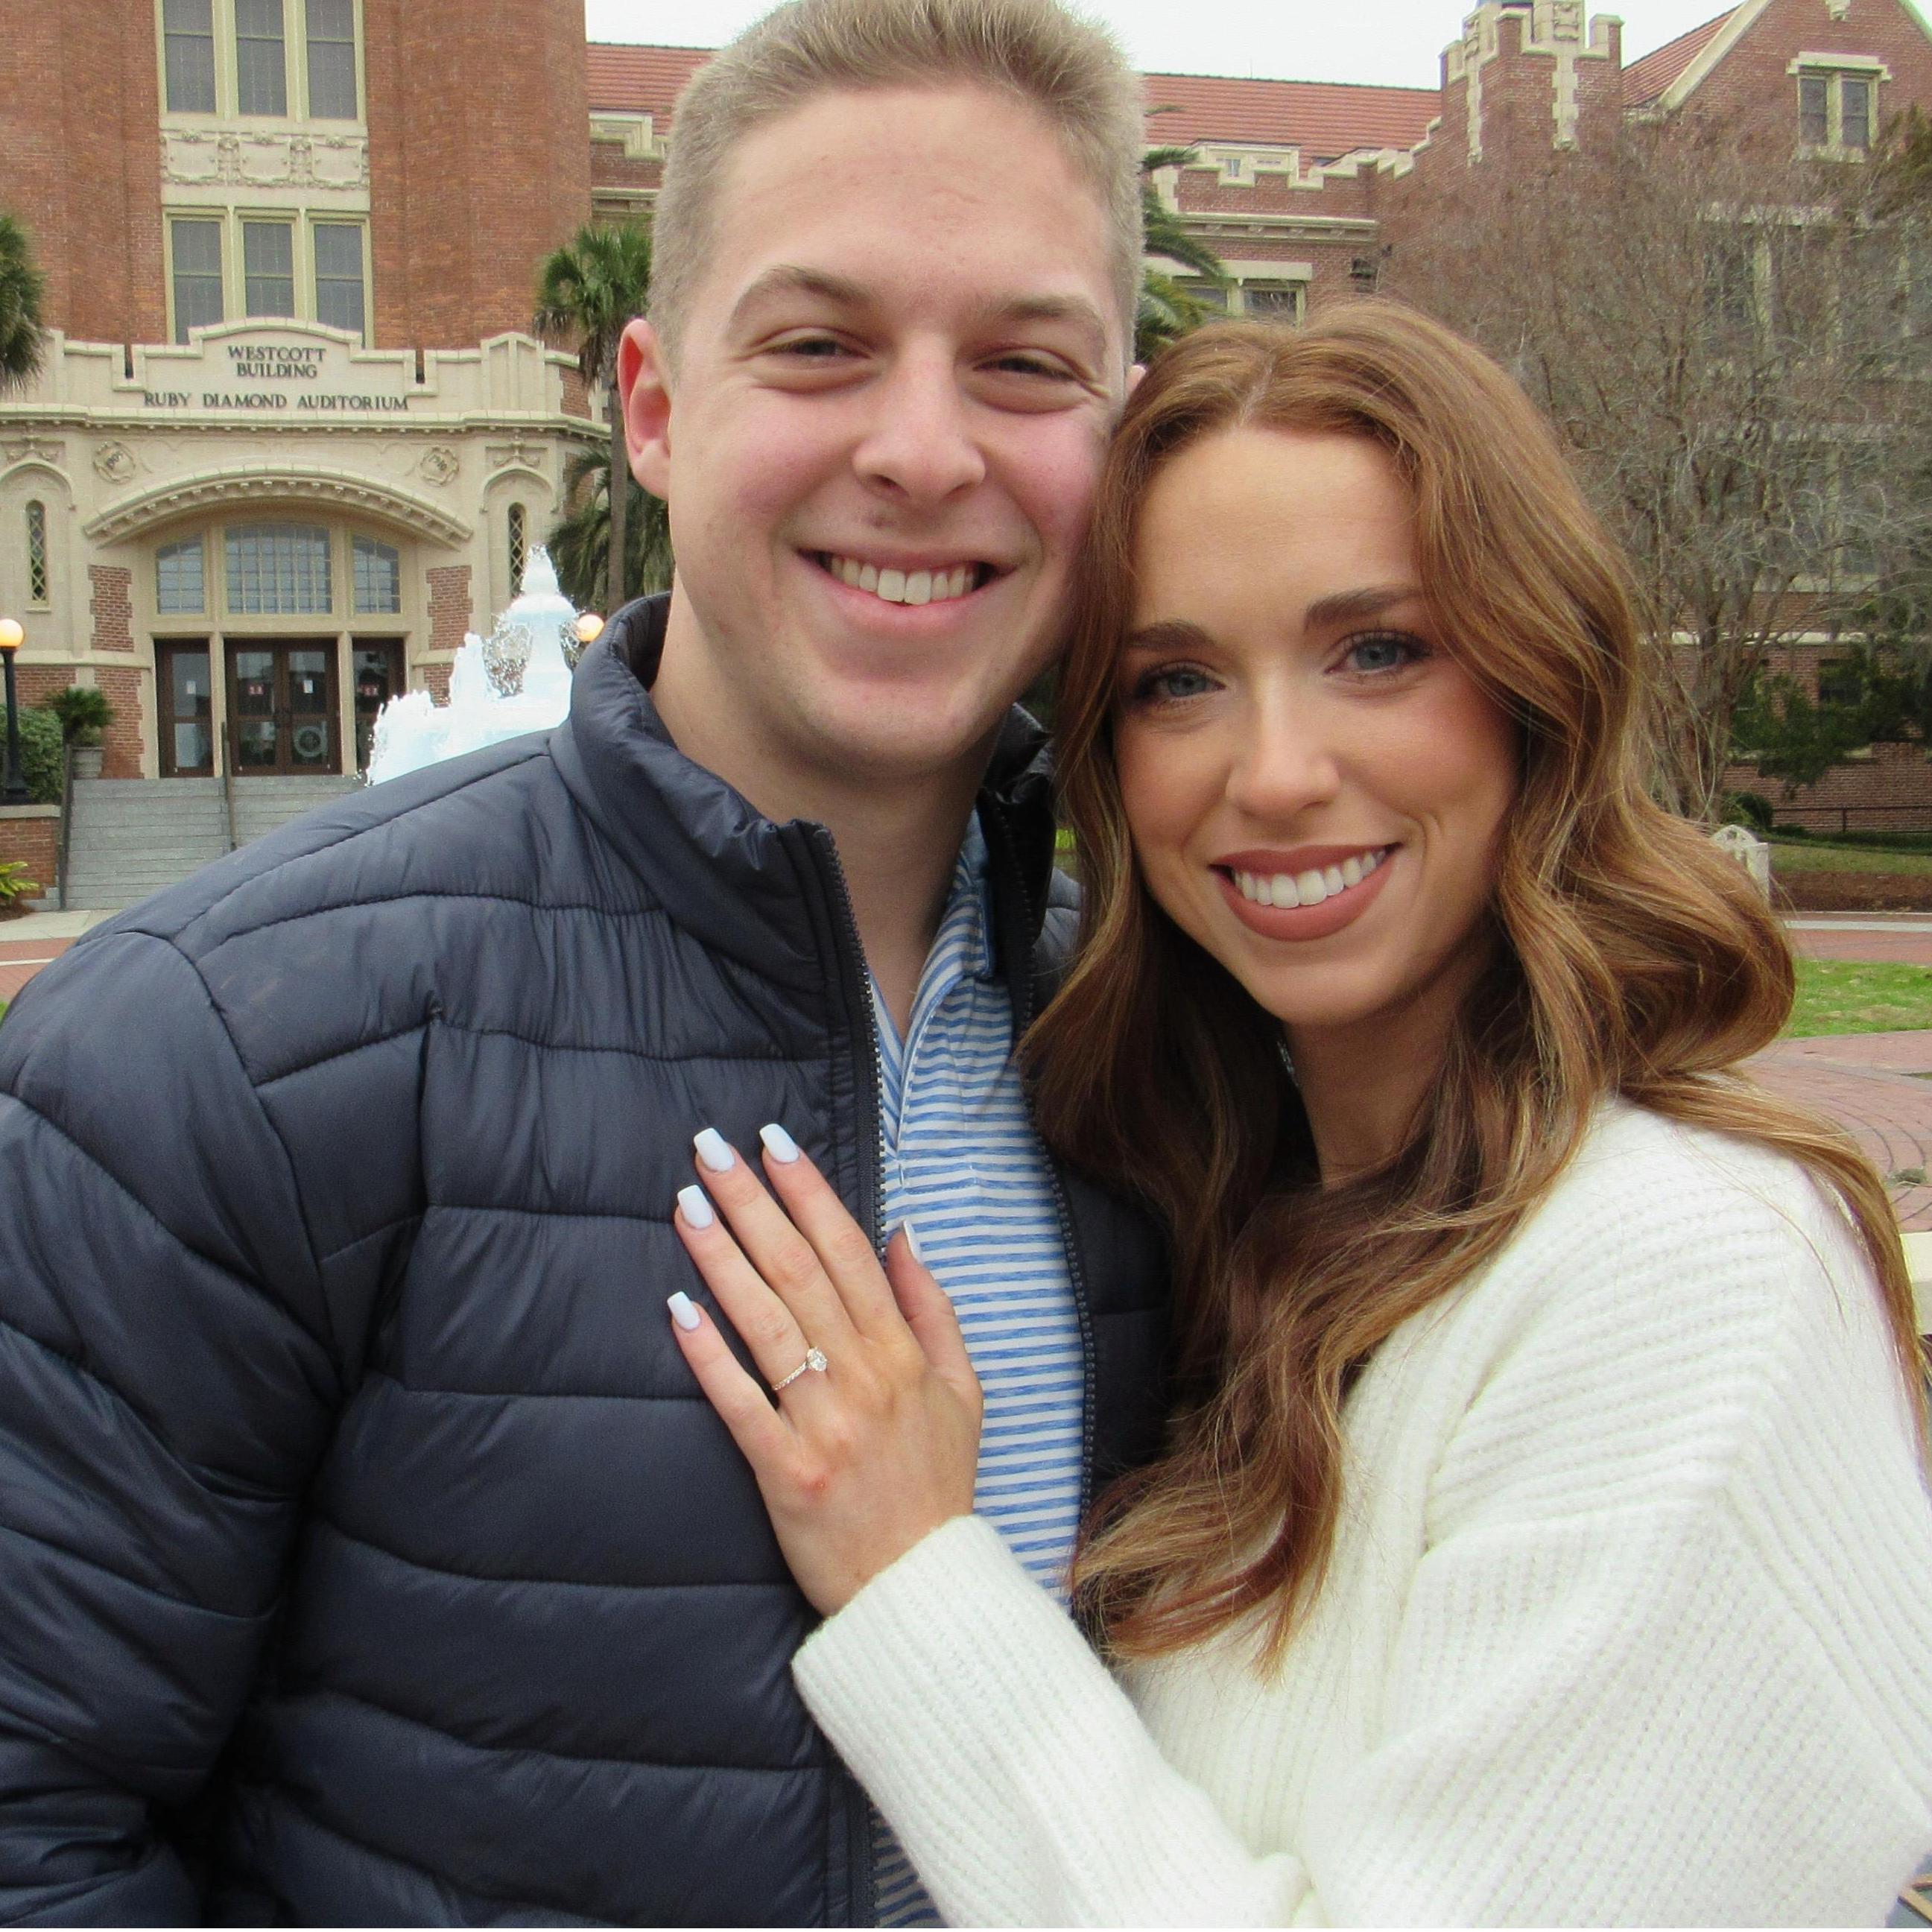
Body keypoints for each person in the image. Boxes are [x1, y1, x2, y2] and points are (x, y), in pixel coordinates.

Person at [0, 0, 1170, 1919]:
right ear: (649, 402)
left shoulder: (1173, 1047)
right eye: (819, 346)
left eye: (1026, 365)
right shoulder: (208, 1059)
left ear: (1115, 430)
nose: (922, 448)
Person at [662, 306, 1932, 1926]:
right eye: (1177, 680)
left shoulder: (1681, 1276)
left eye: (1377, 652)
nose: (1270, 774)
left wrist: (918, 1581)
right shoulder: (1247, 1215)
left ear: (1535, 680)